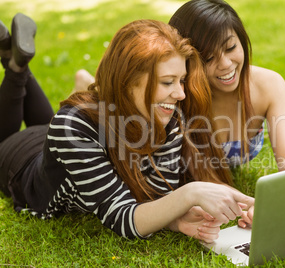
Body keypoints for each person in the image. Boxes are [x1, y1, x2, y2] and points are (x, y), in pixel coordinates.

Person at [0, 14, 254, 242]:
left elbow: (155, 196)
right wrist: (190, 194)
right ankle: (16, 66)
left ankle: (16, 62)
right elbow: (122, 217)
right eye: (167, 82)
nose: (180, 94)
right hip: (19, 161)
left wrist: (176, 220)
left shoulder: (167, 117)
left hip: (59, 142)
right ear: (128, 81)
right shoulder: (72, 127)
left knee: (47, 124)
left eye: (182, 80)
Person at [74, 0, 285, 170]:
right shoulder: (175, 95)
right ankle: (87, 82)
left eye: (231, 47)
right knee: (106, 97)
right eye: (208, 58)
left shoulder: (269, 85)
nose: (225, 64)